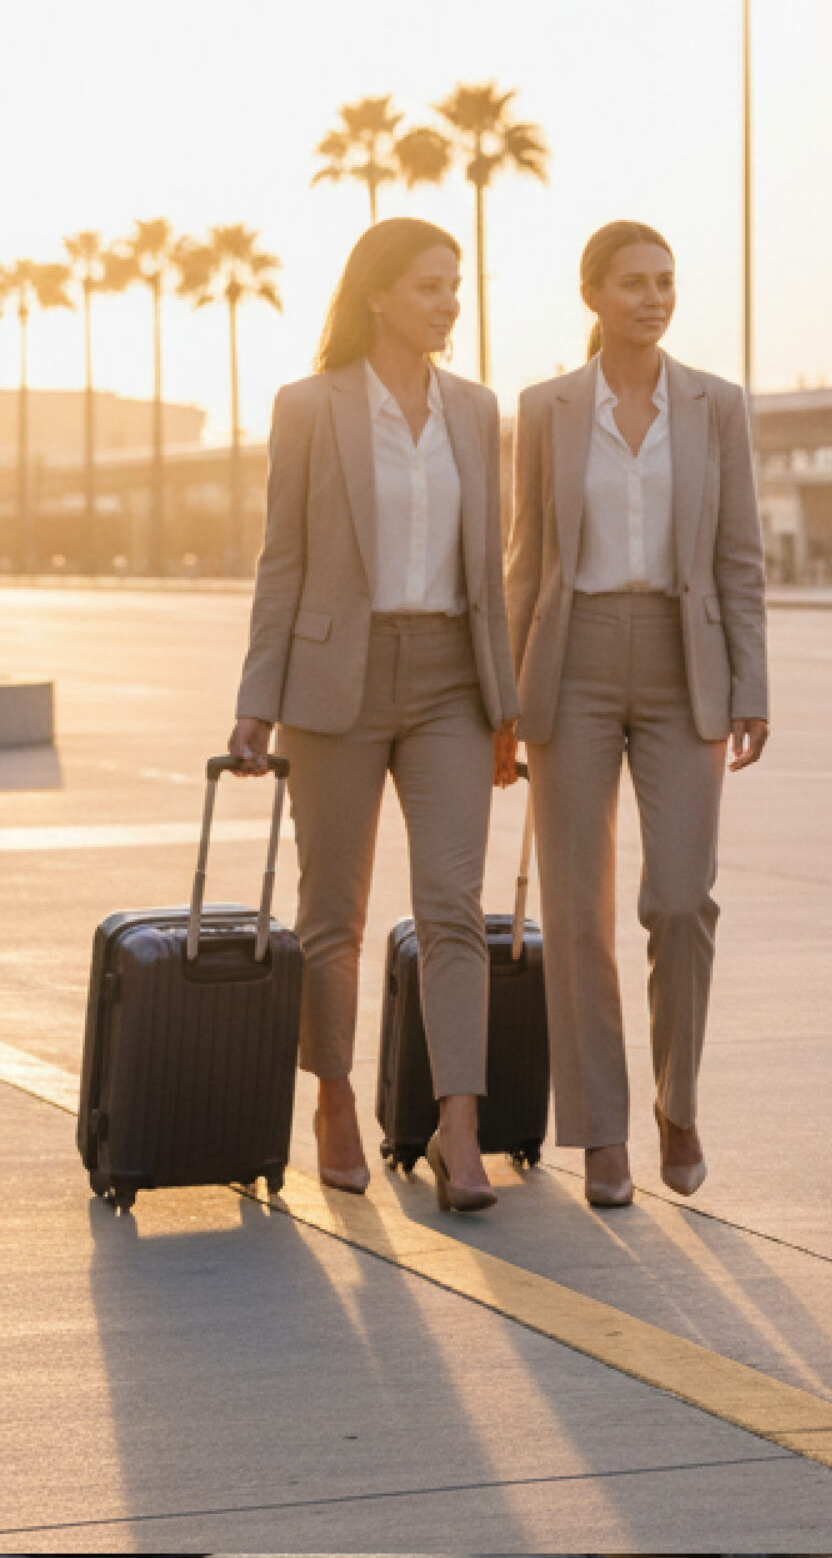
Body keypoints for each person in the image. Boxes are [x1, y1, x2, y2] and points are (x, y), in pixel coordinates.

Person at [226, 217, 517, 1214]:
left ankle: (459, 1128)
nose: (450, 301)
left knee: (452, 910)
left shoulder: (477, 409)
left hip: (448, 680)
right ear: (379, 294)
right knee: (332, 919)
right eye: (431, 285)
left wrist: (505, 703)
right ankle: (337, 1100)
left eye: (456, 284)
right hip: (332, 683)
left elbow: (492, 569)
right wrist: (255, 704)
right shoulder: (309, 406)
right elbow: (282, 561)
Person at [505, 221, 769, 1209]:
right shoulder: (545, 409)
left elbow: (741, 556)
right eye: (632, 283)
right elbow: (524, 559)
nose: (653, 297)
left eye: (665, 281)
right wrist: (507, 691)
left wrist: (752, 686)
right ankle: (602, 1132)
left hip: (681, 662)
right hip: (568, 667)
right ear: (593, 295)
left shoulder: (715, 406)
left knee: (678, 901)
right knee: (575, 912)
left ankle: (678, 1098)